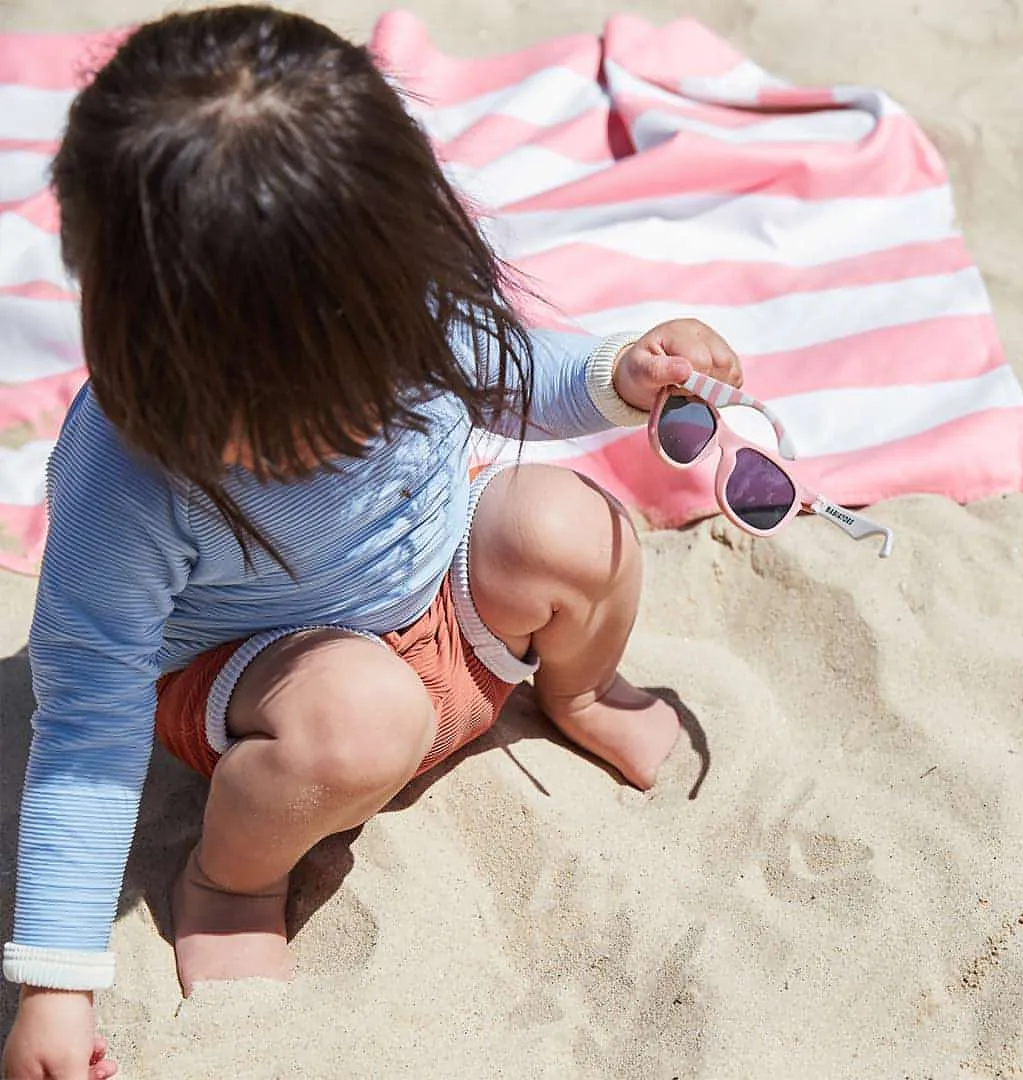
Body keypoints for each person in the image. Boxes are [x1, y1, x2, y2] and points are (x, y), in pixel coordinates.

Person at [0, 7, 742, 1077]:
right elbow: (85, 719)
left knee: (574, 525)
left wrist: (617, 375)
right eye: (291, 418)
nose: (363, 416)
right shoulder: (130, 470)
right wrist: (58, 985)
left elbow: (509, 371)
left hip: (431, 596)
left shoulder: (393, 300)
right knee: (360, 709)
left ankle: (575, 694)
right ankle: (233, 883)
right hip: (257, 683)